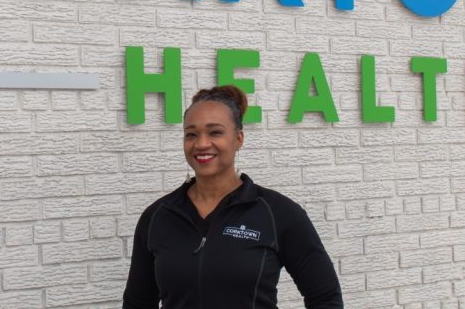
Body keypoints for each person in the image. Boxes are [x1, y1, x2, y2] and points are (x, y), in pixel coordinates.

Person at [122, 85, 344, 308]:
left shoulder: (278, 213)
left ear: (238, 139)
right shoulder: (158, 216)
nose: (201, 144)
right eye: (191, 134)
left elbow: (325, 298)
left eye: (215, 132)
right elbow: (137, 303)